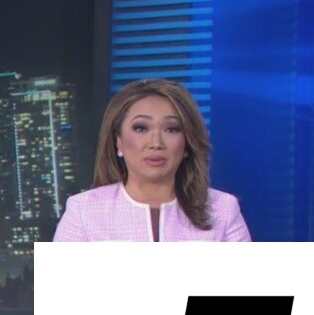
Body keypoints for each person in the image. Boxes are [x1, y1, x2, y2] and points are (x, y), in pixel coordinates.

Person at [53, 78, 251, 242]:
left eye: (171, 129)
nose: (156, 143)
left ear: (187, 144)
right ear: (118, 141)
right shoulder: (84, 211)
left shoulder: (223, 209)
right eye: (141, 128)